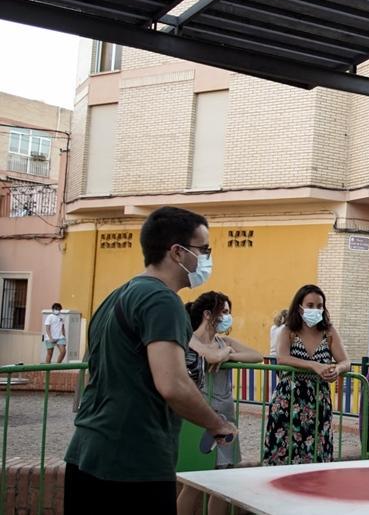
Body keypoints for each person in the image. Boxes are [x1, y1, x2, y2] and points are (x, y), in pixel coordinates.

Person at [64, 206, 237, 514]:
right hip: (133, 461)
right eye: (204, 249)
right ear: (178, 252)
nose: (207, 258)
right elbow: (172, 384)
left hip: (87, 452)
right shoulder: (162, 301)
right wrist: (216, 424)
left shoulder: (117, 295)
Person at [177, 291, 262, 515]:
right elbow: (212, 357)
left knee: (224, 482)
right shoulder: (189, 338)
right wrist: (224, 352)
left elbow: (256, 355)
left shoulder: (223, 341)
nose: (227, 316)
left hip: (226, 417)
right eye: (223, 312)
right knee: (194, 482)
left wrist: (230, 354)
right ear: (208, 314)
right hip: (200, 416)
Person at [262, 284, 351, 465]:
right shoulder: (288, 330)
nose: (316, 309)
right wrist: (314, 366)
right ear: (300, 306)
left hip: (318, 400)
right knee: (283, 451)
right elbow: (282, 358)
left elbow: (345, 361)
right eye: (310, 305)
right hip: (289, 398)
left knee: (317, 451)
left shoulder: (329, 332)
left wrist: (337, 369)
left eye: (319, 306)